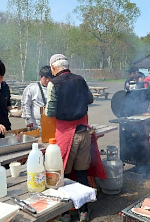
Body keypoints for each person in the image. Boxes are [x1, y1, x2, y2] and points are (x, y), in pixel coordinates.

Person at [45, 54, 106, 222]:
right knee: (81, 172)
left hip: (66, 134)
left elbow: (50, 112)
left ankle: (64, 213)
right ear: (68, 65)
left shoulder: (53, 84)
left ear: (53, 68)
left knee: (63, 173)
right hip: (84, 132)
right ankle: (83, 211)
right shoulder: (80, 79)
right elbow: (90, 99)